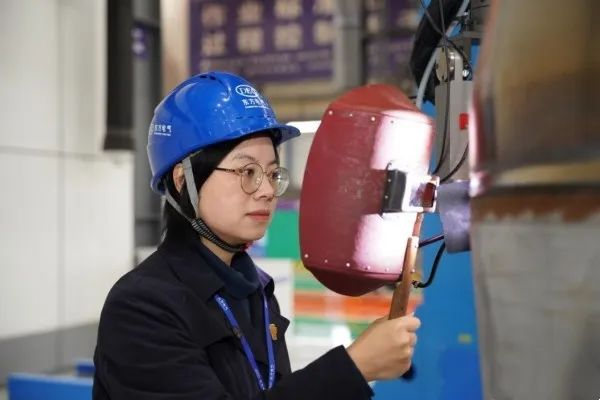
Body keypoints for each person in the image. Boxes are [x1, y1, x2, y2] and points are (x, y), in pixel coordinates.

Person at [93, 71, 421, 399]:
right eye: (247, 171)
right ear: (183, 181)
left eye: (272, 173)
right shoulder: (142, 307)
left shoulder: (255, 290)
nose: (266, 191)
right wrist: (354, 367)